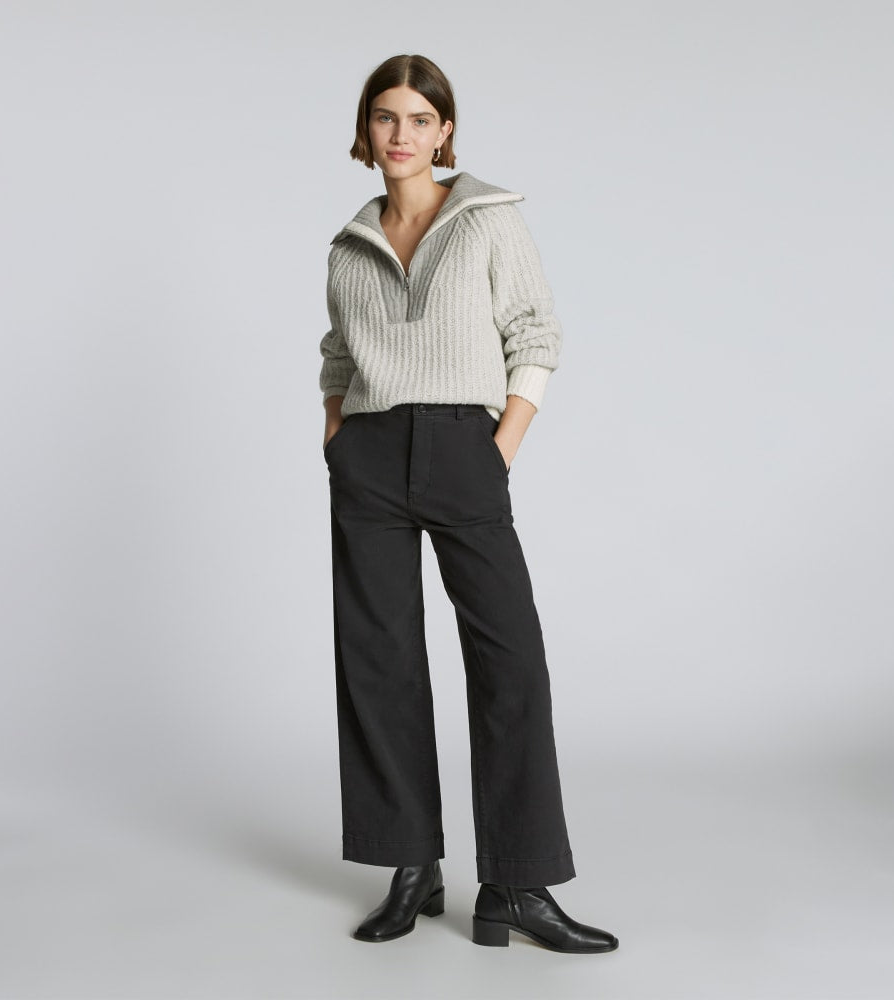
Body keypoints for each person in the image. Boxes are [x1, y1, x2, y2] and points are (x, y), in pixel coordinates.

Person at [318, 53, 619, 954]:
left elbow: (535, 331)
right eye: (386, 117)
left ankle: (517, 885)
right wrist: (337, 435)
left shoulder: (488, 219)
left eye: (420, 119)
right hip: (370, 455)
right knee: (379, 663)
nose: (402, 134)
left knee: (509, 660)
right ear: (366, 131)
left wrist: (499, 447)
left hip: (463, 448)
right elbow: (338, 352)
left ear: (445, 131)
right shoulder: (348, 244)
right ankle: (412, 866)